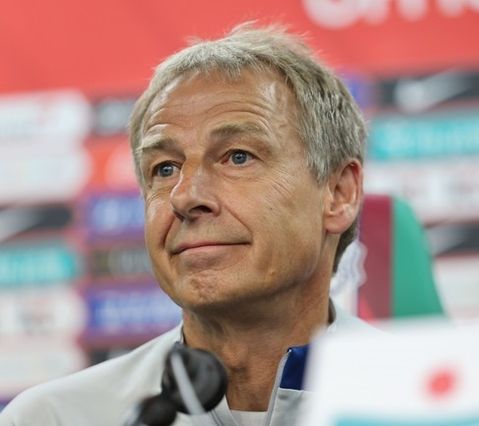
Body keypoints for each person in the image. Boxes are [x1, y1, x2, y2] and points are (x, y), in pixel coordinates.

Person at [0, 22, 371, 426]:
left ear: (339, 193)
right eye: (165, 168)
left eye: (238, 157)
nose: (185, 196)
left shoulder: (417, 399)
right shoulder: (50, 418)